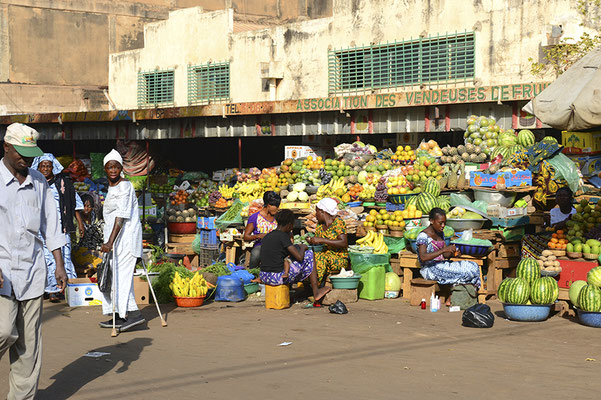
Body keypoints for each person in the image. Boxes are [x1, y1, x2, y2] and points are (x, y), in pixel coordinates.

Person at [0, 123, 68, 400]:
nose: (26, 160)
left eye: (30, 154)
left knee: (29, 346)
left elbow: (51, 225)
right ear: (6, 146)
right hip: (2, 271)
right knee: (4, 331)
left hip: (32, 271)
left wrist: (60, 264)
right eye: (21, 153)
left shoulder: (38, 181)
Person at [98, 149, 145, 332]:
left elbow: (121, 217)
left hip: (125, 241)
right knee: (113, 277)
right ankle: (118, 315)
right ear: (105, 169)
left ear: (121, 168)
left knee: (121, 278)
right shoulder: (112, 187)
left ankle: (134, 315)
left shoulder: (125, 186)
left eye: (116, 167)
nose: (113, 170)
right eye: (109, 167)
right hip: (114, 243)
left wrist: (109, 242)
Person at [32, 153, 84, 302]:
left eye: (49, 166)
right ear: (39, 167)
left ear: (53, 167)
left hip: (61, 227)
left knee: (65, 256)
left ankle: (69, 288)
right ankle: (52, 289)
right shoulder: (34, 183)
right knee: (46, 258)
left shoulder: (63, 183)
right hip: (40, 227)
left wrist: (80, 222)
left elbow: (74, 202)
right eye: (43, 166)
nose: (46, 168)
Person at [259, 210, 331, 302]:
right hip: (277, 278)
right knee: (309, 254)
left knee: (289, 261)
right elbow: (299, 257)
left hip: (264, 276)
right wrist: (303, 248)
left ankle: (306, 289)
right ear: (289, 225)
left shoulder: (268, 236)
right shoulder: (283, 236)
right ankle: (316, 291)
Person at [417, 208, 480, 304]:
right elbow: (423, 257)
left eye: (444, 223)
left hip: (443, 264)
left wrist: (453, 252)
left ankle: (454, 295)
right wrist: (443, 250)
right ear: (431, 221)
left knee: (473, 266)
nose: (443, 226)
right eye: (440, 223)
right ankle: (453, 296)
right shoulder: (423, 236)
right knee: (467, 271)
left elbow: (445, 255)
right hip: (430, 269)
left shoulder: (440, 233)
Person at [307, 198, 349, 282]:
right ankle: (309, 284)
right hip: (324, 256)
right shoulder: (319, 226)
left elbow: (343, 243)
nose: (316, 215)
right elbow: (319, 243)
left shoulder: (338, 223)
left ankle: (316, 286)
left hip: (338, 259)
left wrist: (322, 240)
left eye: (317, 212)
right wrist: (312, 241)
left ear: (323, 212)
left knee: (319, 257)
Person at [243, 191, 281, 268]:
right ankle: (253, 273)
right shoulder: (255, 217)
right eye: (276, 206)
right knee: (256, 253)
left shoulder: (278, 217)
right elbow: (246, 237)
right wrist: (258, 236)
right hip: (261, 246)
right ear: (268, 205)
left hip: (277, 246)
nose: (278, 208)